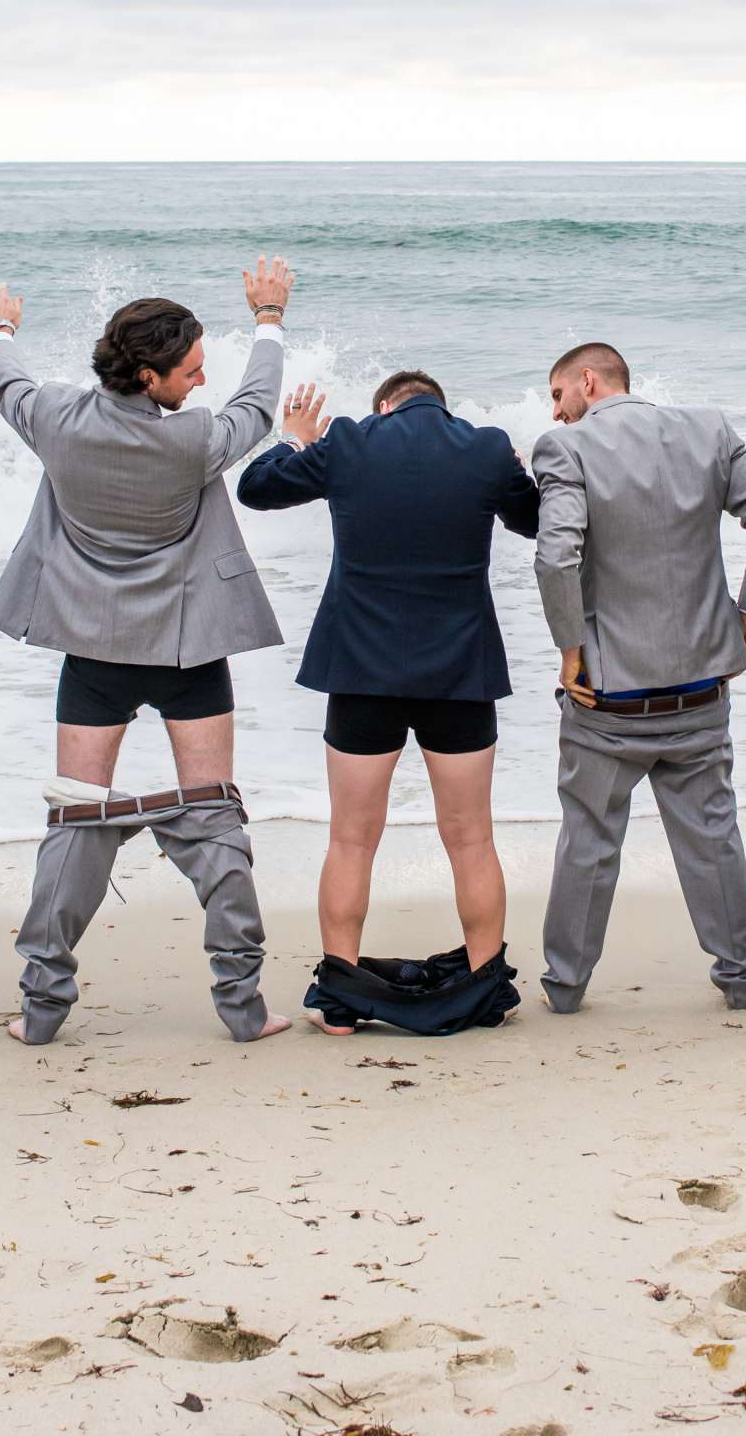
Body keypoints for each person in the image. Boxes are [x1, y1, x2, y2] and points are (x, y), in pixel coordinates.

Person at [0, 260, 297, 1046]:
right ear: (149, 374)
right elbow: (259, 406)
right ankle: (243, 1008)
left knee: (76, 824)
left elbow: (6, 384)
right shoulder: (192, 442)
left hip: (92, 653)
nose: (200, 382)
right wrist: (267, 317)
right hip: (189, 652)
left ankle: (42, 1009)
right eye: (189, 371)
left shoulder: (54, 419)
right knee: (214, 819)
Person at [237, 370, 540, 1034]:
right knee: (471, 839)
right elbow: (535, 520)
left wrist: (295, 440)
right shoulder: (485, 448)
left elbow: (254, 490)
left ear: (384, 406)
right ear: (443, 405)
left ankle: (342, 995)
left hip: (362, 670)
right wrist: (513, 470)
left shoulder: (348, 442)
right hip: (460, 673)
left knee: (351, 839)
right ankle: (487, 986)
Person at [531, 342, 746, 1013]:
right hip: (700, 684)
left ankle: (565, 986)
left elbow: (557, 558)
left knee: (589, 839)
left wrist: (570, 647)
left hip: (608, 695)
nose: (557, 411)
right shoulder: (709, 431)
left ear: (588, 380)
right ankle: (741, 978)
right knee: (712, 836)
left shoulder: (565, 449)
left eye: (558, 395)